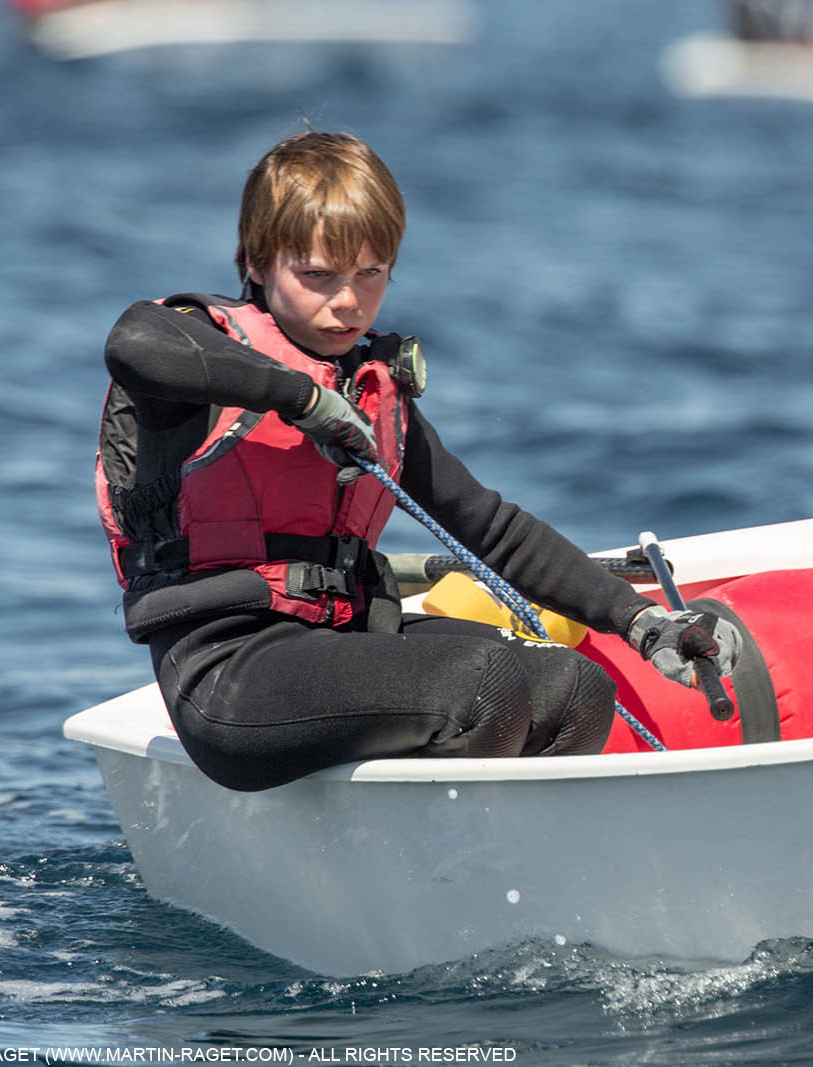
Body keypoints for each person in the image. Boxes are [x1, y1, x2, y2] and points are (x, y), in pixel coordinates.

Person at [95, 129, 741, 791]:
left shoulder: (375, 393)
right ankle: (461, 869)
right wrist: (299, 398)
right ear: (258, 263)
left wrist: (641, 621)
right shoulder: (199, 352)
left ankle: (516, 869)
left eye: (370, 273)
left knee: (575, 686)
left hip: (344, 639)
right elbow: (132, 341)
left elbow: (492, 529)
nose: (347, 299)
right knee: (480, 685)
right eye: (317, 274)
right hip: (228, 668)